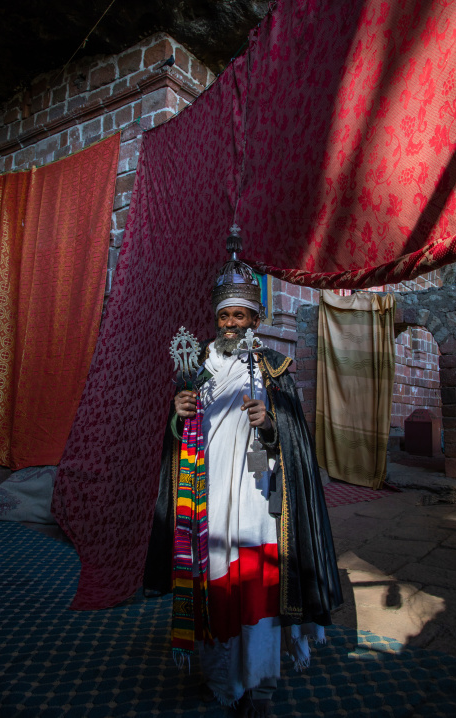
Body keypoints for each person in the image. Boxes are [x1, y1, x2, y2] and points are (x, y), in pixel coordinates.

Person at [143, 238, 342, 717]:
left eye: (241, 316)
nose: (232, 325)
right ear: (216, 319)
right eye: (224, 317)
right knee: (213, 580)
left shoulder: (275, 371)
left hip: (255, 499)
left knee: (255, 580)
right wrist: (177, 414)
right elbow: (175, 437)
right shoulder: (195, 372)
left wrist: (271, 423)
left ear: (256, 319)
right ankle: (221, 676)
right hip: (206, 496)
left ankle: (253, 679)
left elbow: (294, 442)